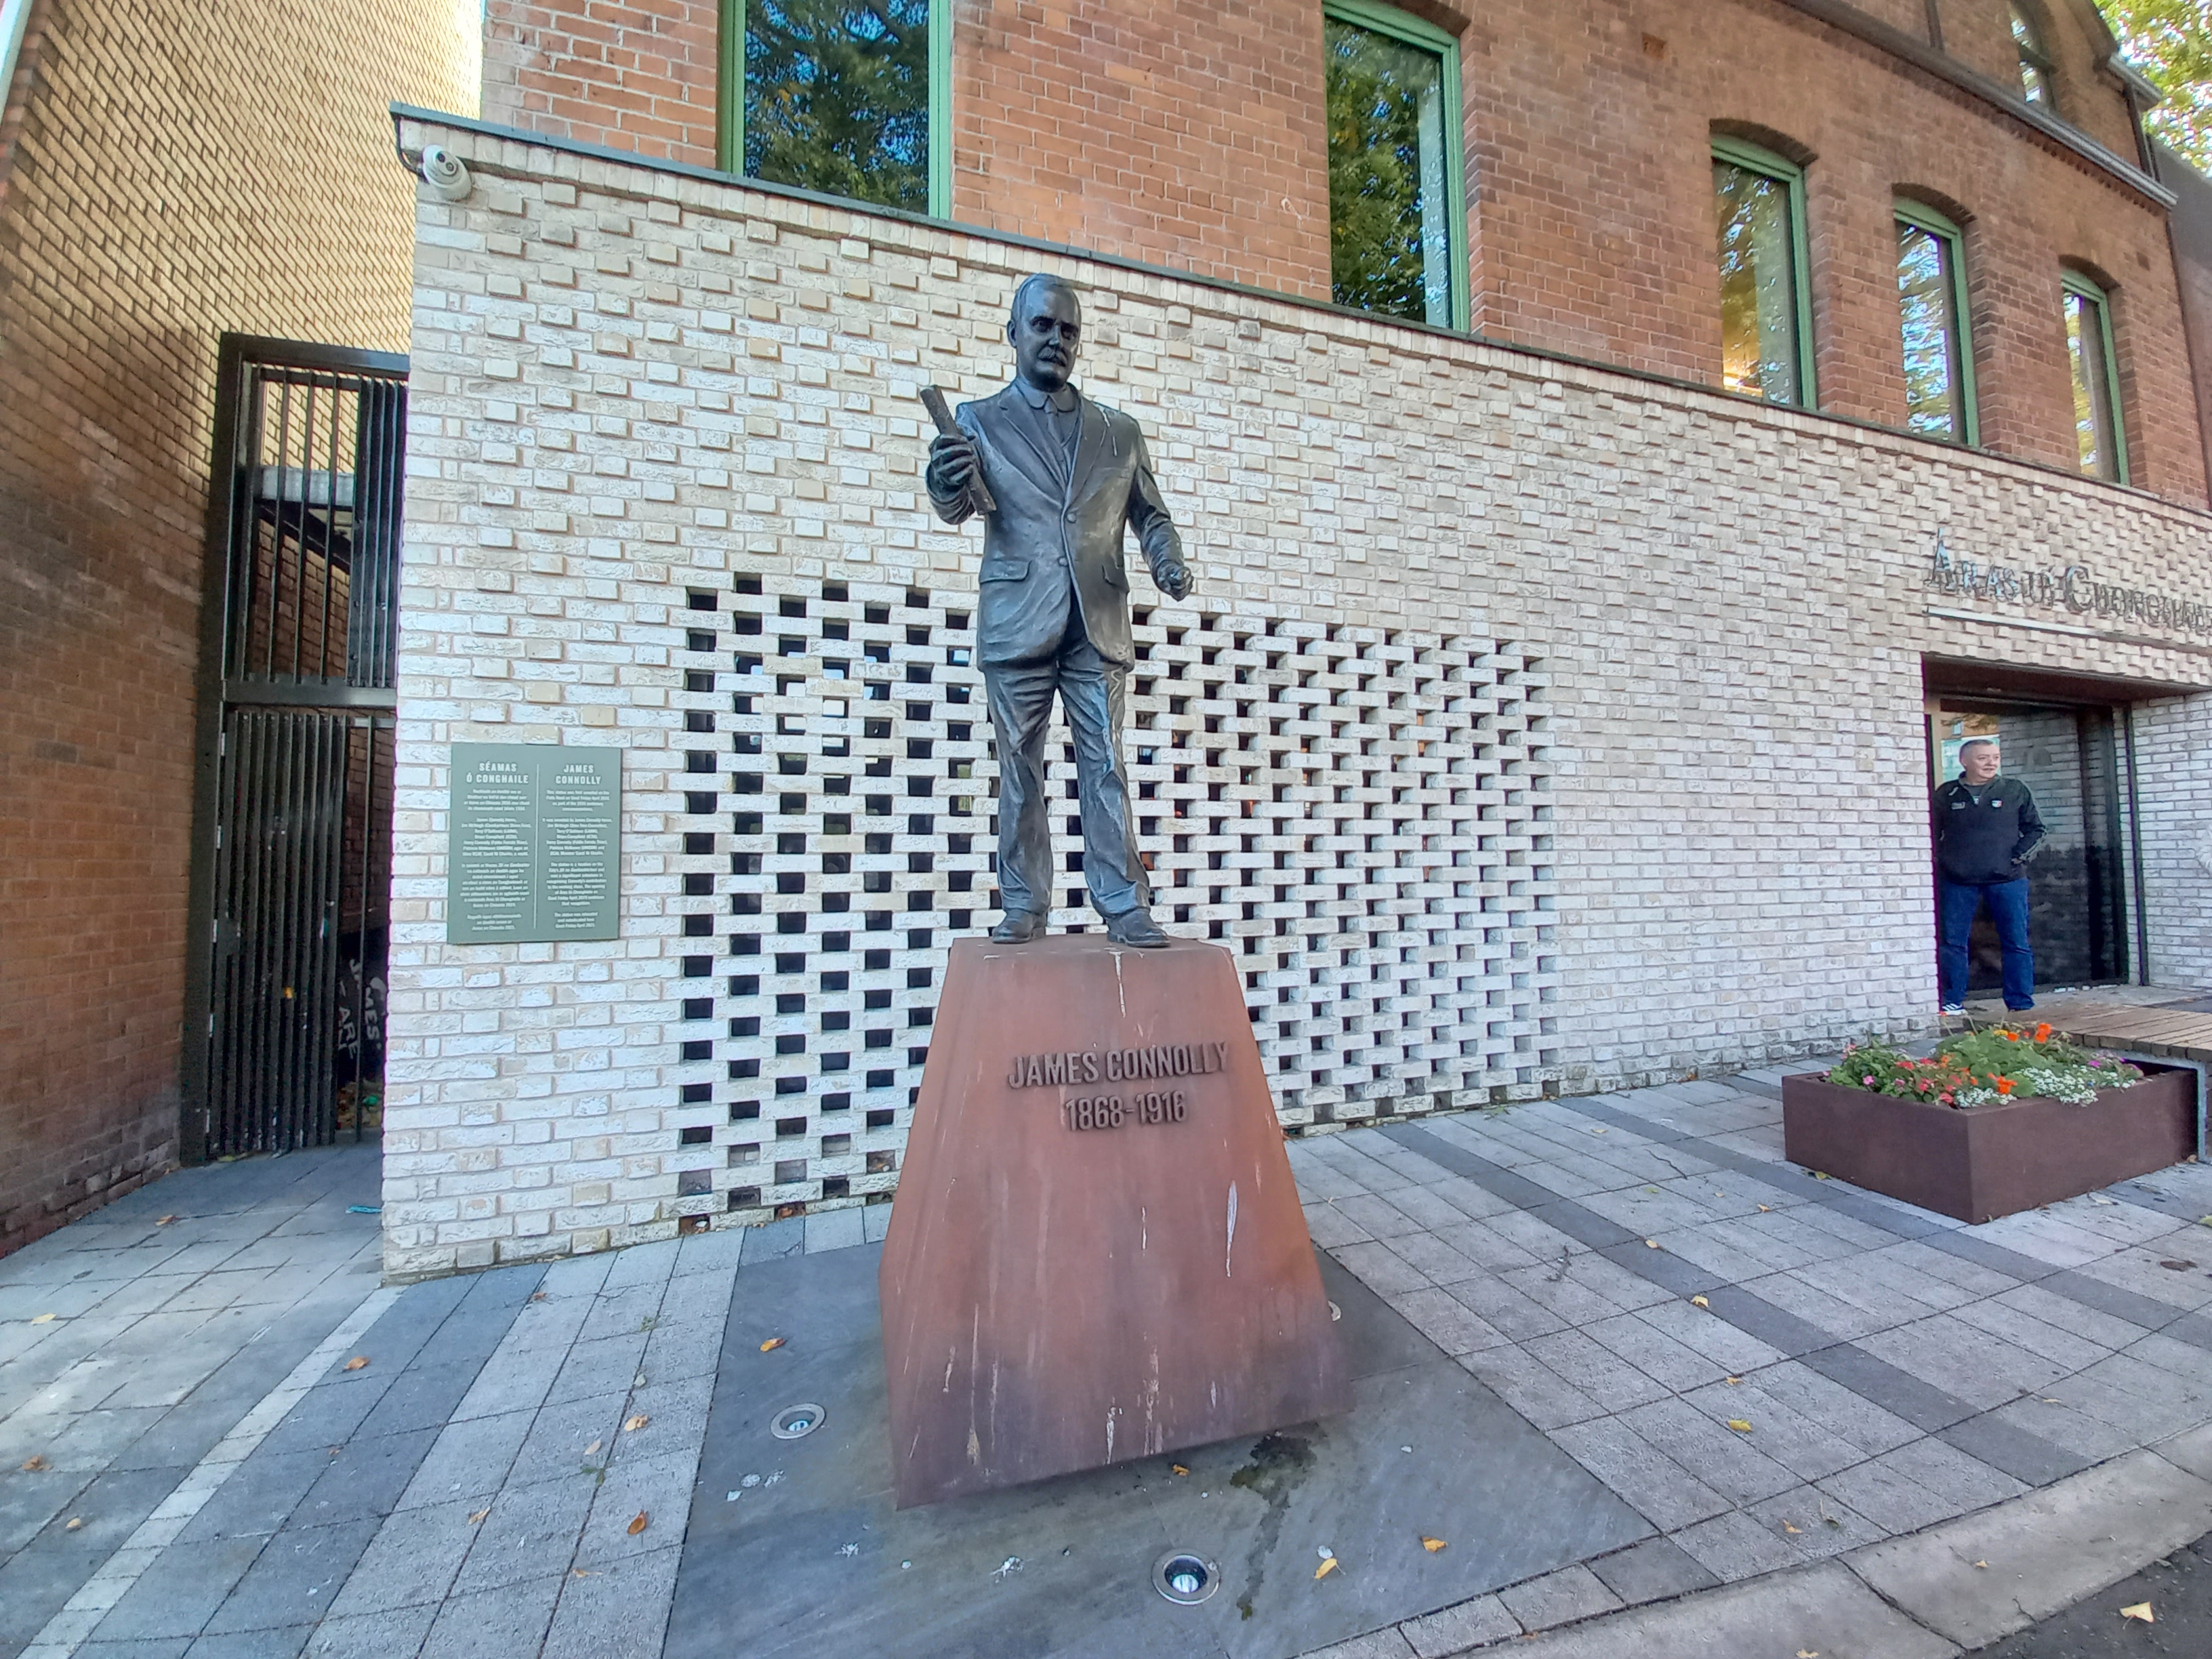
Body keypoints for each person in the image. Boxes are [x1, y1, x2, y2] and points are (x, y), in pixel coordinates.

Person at [924, 273, 1195, 948]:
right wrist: (943, 479)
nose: (1056, 340)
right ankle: (1024, 903)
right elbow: (957, 505)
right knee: (1019, 768)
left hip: (1096, 620)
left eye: (1068, 330)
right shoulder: (978, 420)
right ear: (1013, 333)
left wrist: (1166, 561)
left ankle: (1124, 903)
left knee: (1106, 765)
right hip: (1017, 617)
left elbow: (1151, 516)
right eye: (1042, 326)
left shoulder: (1119, 432)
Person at [1931, 736, 2045, 1015]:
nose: (1991, 763)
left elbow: (2036, 829)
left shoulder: (2014, 790)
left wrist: (2017, 857)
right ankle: (1952, 1001)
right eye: (1983, 758)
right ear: (1964, 761)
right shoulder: (1946, 794)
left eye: (1995, 758)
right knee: (1952, 943)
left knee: (2016, 942)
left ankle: (2020, 1004)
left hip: (2008, 879)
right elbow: (1930, 833)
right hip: (1957, 881)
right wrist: (1943, 861)